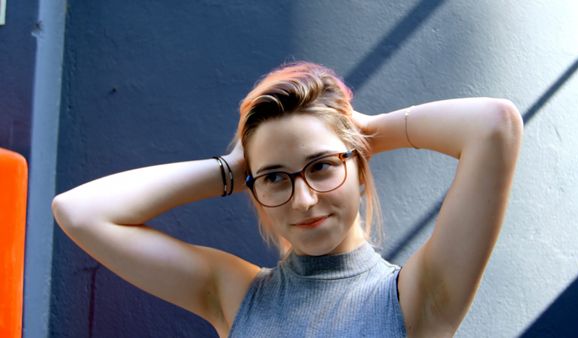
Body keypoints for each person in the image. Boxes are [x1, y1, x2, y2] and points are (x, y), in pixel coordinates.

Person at [52, 61, 523, 337]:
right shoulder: (235, 294)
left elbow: (494, 125)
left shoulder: (417, 297)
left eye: (321, 166)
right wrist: (228, 169)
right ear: (252, 187)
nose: (302, 200)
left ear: (358, 164)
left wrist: (365, 132)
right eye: (275, 178)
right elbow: (79, 212)